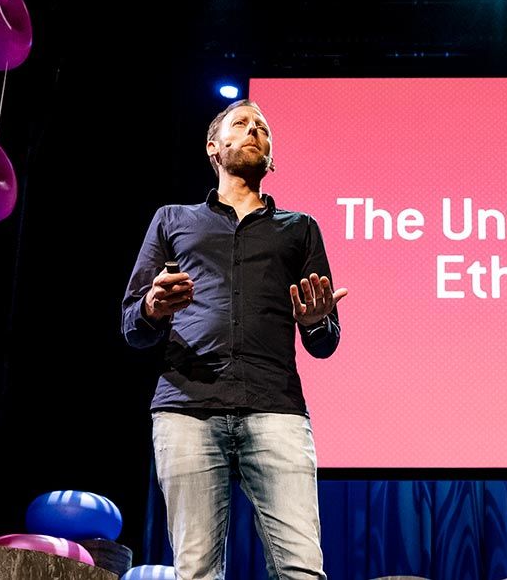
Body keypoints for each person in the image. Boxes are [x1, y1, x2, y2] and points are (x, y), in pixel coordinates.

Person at [121, 99, 345, 580]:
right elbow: (131, 325)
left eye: (262, 128)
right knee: (197, 570)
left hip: (275, 408)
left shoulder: (301, 228)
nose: (254, 131)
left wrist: (314, 321)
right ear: (213, 147)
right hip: (187, 409)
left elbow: (325, 341)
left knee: (302, 568)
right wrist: (152, 307)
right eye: (241, 124)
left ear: (271, 158)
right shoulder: (172, 220)